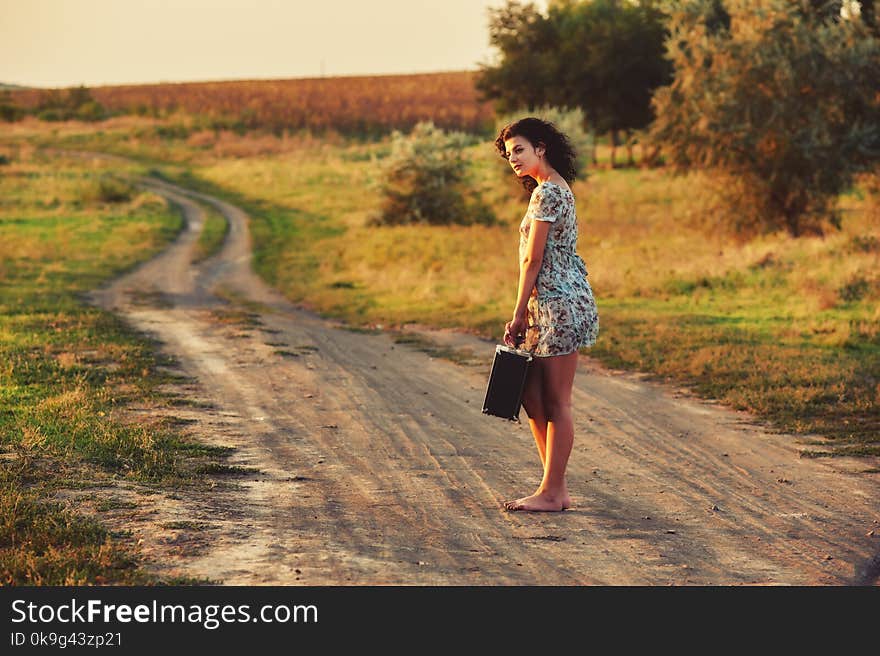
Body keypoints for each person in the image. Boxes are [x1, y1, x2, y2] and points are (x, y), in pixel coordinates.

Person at [495, 117, 599, 512]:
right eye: (508, 155)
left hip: (560, 304)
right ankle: (552, 486)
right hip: (553, 303)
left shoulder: (547, 194)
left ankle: (553, 492)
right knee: (532, 395)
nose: (513, 160)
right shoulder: (550, 190)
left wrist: (518, 312)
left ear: (541, 147)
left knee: (557, 401)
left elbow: (533, 257)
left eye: (519, 150)